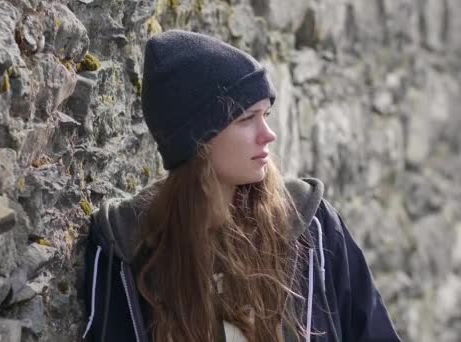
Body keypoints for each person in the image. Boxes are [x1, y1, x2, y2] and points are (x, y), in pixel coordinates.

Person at [81, 30, 401, 342]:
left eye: (266, 115)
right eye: (247, 119)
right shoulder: (126, 247)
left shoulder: (310, 223)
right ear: (198, 140)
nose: (268, 134)